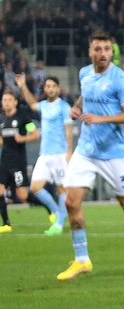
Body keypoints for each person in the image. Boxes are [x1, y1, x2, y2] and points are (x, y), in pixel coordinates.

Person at [57, 31, 124, 281]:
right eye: (98, 49)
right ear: (90, 51)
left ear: (112, 52)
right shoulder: (84, 73)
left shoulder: (119, 79)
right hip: (86, 150)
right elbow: (86, 94)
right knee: (71, 202)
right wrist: (77, 106)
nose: (102, 54)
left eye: (107, 49)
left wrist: (101, 118)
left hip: (114, 154)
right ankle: (82, 260)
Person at [19, 74, 72, 234]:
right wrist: (22, 85)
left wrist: (69, 151)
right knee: (35, 187)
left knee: (61, 189)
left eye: (52, 86)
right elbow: (32, 103)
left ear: (57, 89)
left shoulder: (64, 107)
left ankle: (59, 225)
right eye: (47, 86)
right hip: (45, 154)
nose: (49, 89)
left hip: (59, 154)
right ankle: (56, 212)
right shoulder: (43, 105)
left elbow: (68, 130)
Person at [0, 88, 40, 233]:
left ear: (15, 102)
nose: (6, 102)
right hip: (4, 161)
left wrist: (23, 138)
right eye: (4, 100)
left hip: (18, 161)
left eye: (9, 100)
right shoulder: (1, 119)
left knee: (22, 195)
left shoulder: (23, 117)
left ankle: (50, 209)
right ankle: (6, 224)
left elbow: (35, 135)